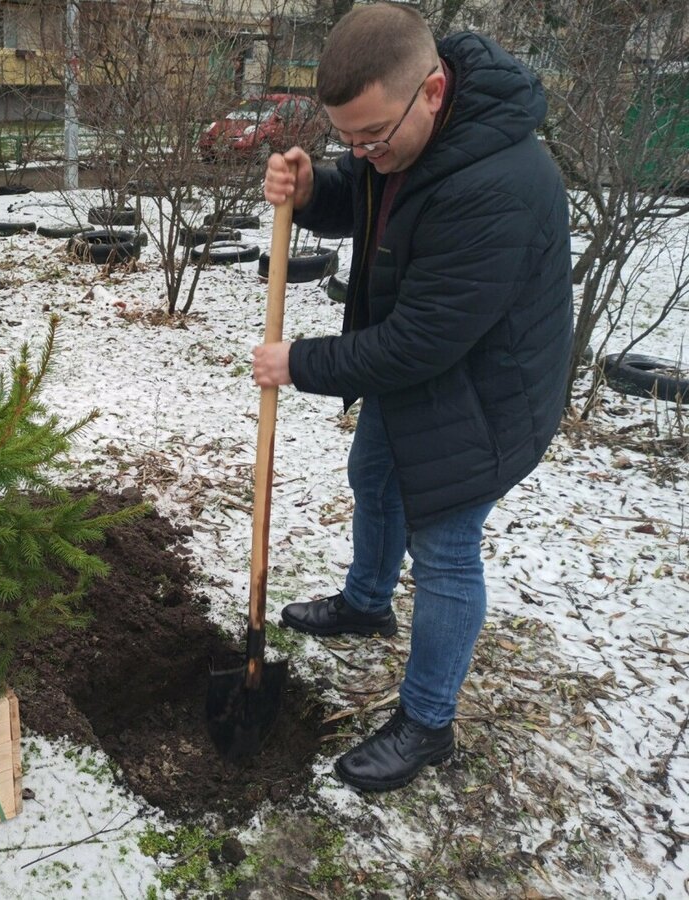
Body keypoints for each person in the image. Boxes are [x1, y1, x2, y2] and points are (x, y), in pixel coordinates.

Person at [255, 3, 572, 792]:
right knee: (375, 475)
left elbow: (421, 340)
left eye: (372, 137)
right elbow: (374, 193)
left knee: (445, 552)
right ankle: (366, 602)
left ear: (431, 90)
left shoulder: (500, 183)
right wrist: (315, 185)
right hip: (428, 378)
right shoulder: (412, 139)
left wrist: (299, 362)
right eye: (346, 139)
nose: (364, 152)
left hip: (485, 399)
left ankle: (427, 723)